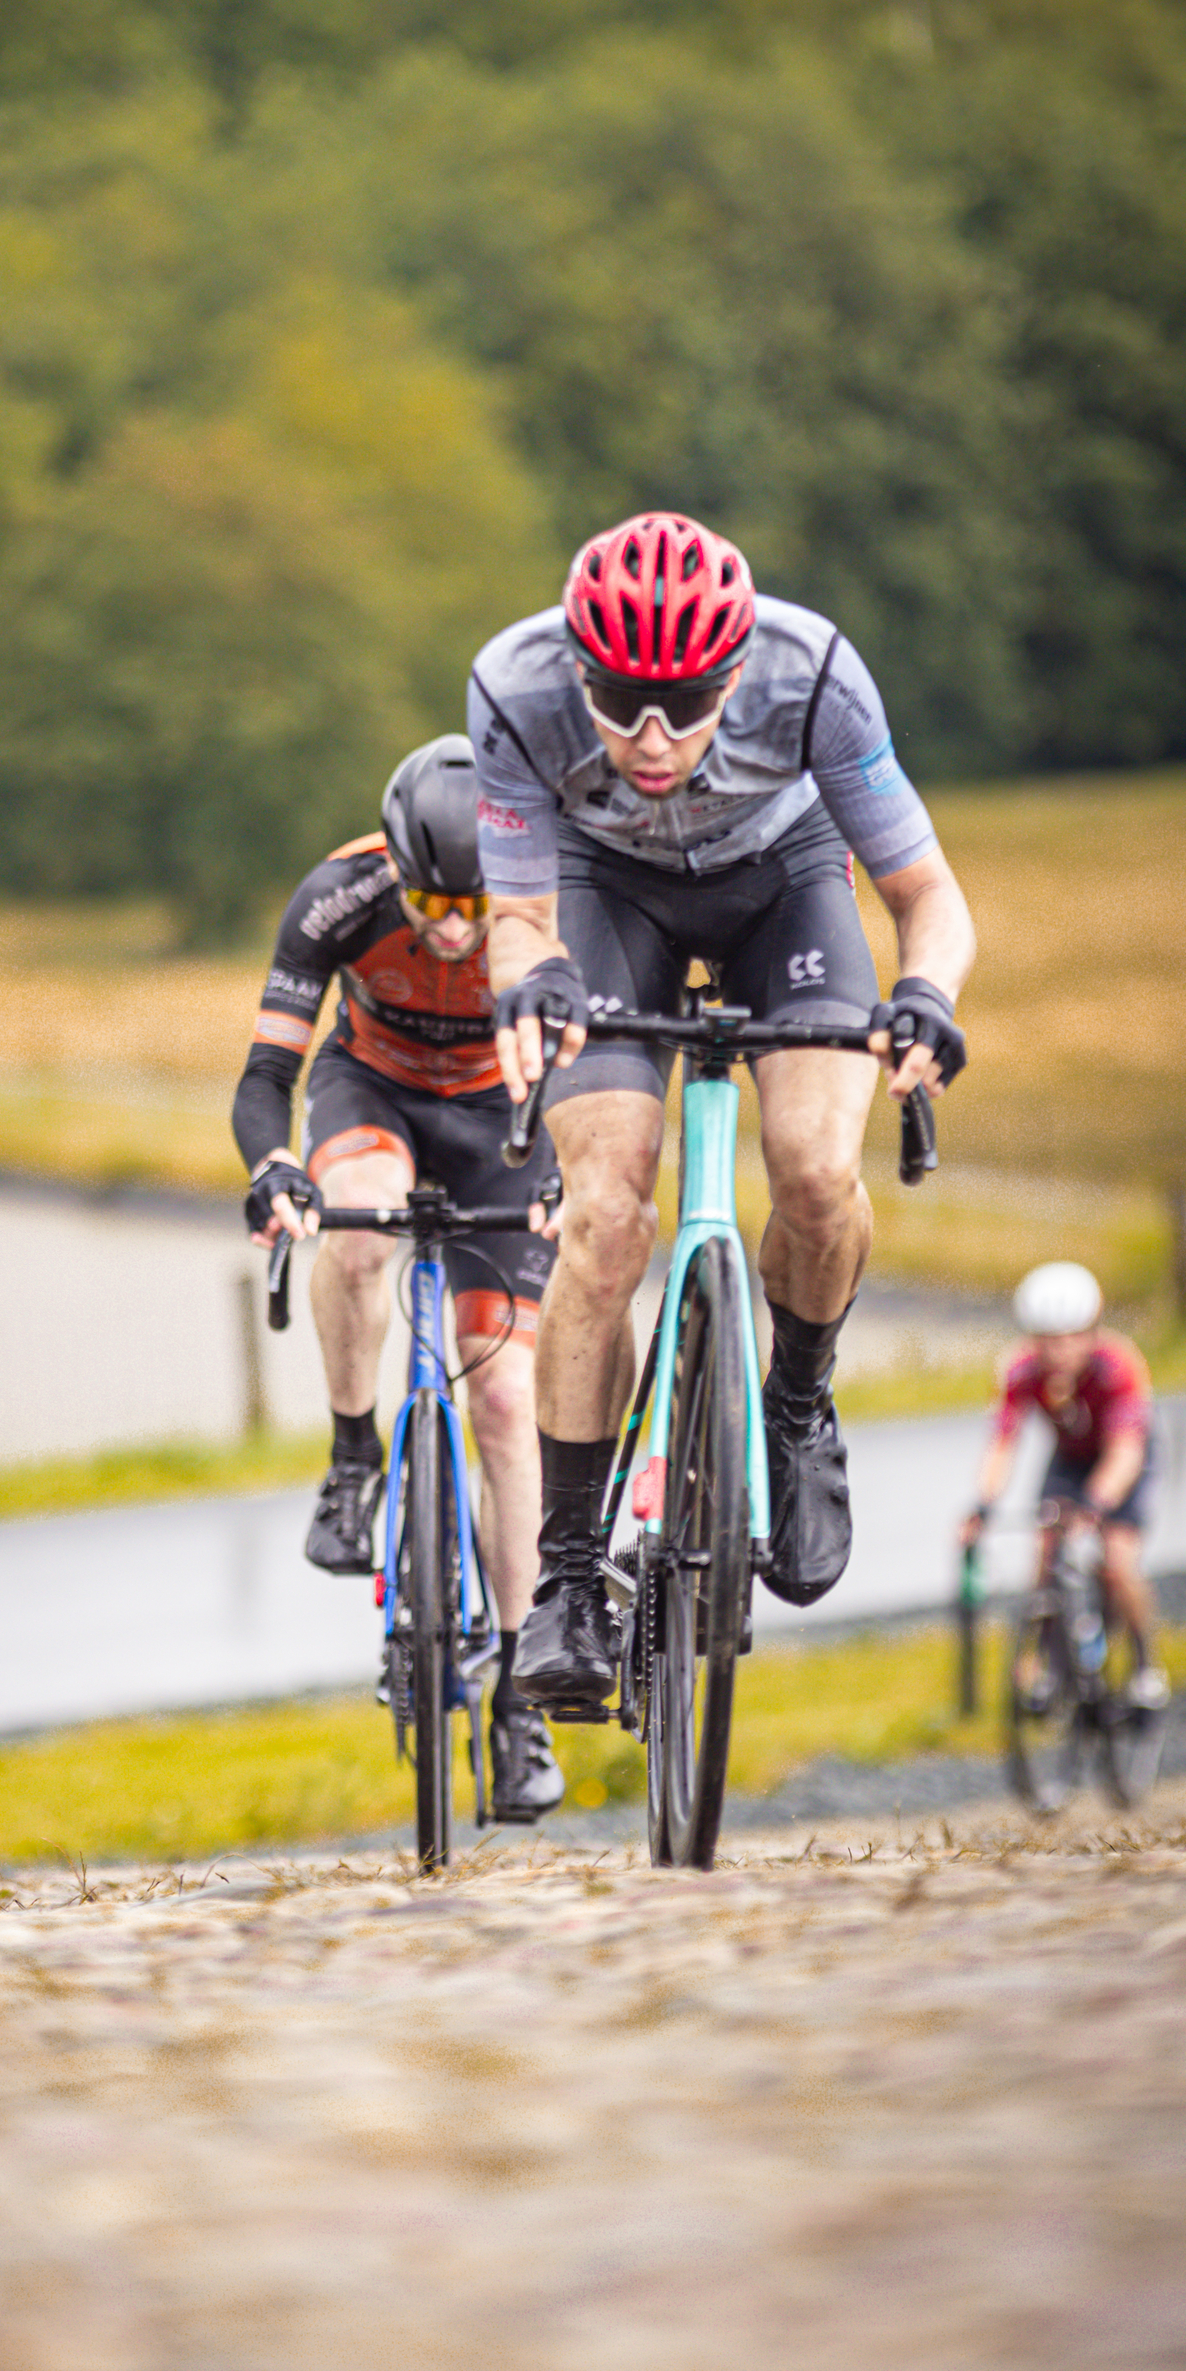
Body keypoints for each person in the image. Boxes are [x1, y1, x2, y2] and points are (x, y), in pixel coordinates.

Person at [471, 509, 977, 1714]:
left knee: (811, 1169)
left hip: (781, 883)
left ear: (735, 673)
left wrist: (923, 995)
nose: (651, 737)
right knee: (598, 1214)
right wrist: (528, 977)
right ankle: (569, 1576)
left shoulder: (813, 677)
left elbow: (926, 893)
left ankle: (795, 1405)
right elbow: (516, 918)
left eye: (686, 703)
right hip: (606, 897)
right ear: (576, 668)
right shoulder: (514, 686)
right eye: (619, 700)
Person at [233, 737, 564, 1824]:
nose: (457, 928)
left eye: (473, 904)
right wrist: (273, 1165)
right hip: (368, 1088)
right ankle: (349, 1457)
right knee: (359, 1236)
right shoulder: (339, 896)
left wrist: (585, 1180)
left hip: (498, 1120)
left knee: (509, 1401)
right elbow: (269, 1073)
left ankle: (519, 1696)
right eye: (433, 902)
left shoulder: (543, 898)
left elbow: (596, 1065)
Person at [962, 1260, 1169, 1707]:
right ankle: (1041, 1668)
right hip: (1071, 1458)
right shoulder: (1020, 1370)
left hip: (1122, 1459)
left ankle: (1145, 1666)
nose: (1059, 1350)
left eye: (1072, 1336)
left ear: (1092, 1332)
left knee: (1117, 1557)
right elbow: (1002, 1444)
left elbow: (1127, 1453)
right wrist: (983, 1505)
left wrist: (1096, 1505)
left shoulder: (1118, 1365)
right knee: (1046, 1552)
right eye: (1047, 1339)